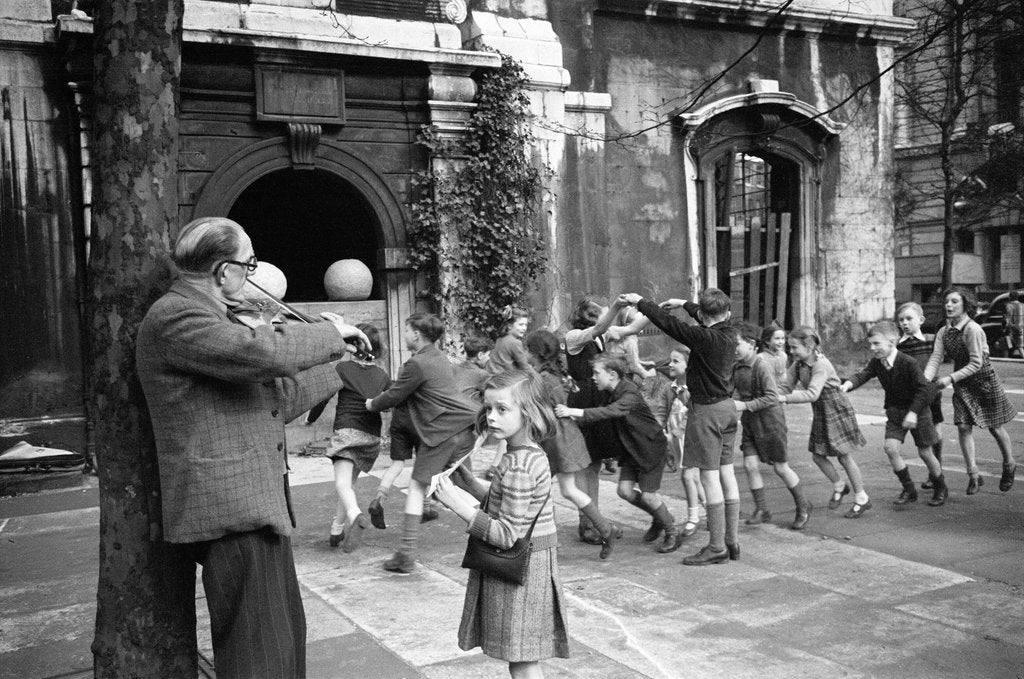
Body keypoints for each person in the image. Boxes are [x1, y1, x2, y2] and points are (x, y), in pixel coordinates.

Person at [135, 216, 370, 678]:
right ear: (224, 271)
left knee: (281, 644)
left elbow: (273, 401)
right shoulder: (177, 316)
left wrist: (341, 367)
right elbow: (262, 352)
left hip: (255, 507)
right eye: (249, 264)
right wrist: (329, 334)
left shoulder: (210, 319)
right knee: (259, 657)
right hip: (232, 511)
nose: (251, 275)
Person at [433, 370, 570, 679]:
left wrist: (456, 504)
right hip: (532, 565)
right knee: (523, 657)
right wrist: (471, 485)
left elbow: (507, 534)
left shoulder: (518, 466)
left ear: (529, 412)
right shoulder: (527, 454)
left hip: (521, 572)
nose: (491, 417)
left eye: (502, 409)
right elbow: (513, 507)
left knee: (521, 660)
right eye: (488, 408)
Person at [618, 289, 742, 565]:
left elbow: (668, 323)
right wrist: (685, 304)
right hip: (728, 409)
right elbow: (705, 314)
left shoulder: (702, 337)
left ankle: (716, 547)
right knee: (727, 473)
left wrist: (641, 302)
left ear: (704, 317)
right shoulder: (730, 331)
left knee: (709, 478)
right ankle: (732, 541)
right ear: (727, 313)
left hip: (707, 412)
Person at [366, 313, 479, 573]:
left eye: (406, 330)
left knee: (417, 488)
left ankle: (406, 555)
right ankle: (503, 513)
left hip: (440, 431)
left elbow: (394, 395)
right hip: (461, 427)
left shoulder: (416, 364)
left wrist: (372, 404)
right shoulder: (440, 358)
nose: (404, 334)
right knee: (460, 480)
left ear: (416, 334)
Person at [555, 355, 680, 554]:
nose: (593, 377)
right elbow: (601, 412)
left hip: (649, 448)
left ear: (612, 375)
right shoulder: (610, 391)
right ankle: (659, 516)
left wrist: (573, 411)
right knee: (624, 491)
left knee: (649, 496)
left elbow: (611, 411)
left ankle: (672, 531)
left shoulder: (629, 392)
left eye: (597, 373)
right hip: (632, 448)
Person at [525, 330, 621, 558]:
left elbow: (540, 409)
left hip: (555, 441)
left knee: (538, 488)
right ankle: (604, 529)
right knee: (567, 490)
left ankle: (546, 540)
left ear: (536, 353)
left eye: (527, 350)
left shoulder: (542, 379)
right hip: (565, 438)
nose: (524, 354)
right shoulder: (556, 375)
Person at [841, 321, 947, 507]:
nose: (872, 348)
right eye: (871, 344)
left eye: (876, 344)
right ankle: (909, 489)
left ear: (891, 342)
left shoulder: (908, 362)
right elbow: (864, 374)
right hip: (895, 411)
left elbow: (924, 390)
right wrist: (848, 384)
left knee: (925, 452)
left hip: (918, 412)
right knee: (890, 448)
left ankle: (940, 486)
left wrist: (913, 413)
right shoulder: (877, 362)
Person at [924, 287, 1017, 494]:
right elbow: (936, 357)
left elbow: (976, 363)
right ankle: (973, 474)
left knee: (995, 426)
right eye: (946, 302)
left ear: (966, 305)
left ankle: (1009, 464)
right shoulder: (944, 331)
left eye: (954, 301)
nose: (949, 305)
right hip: (963, 383)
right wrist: (925, 379)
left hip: (984, 381)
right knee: (963, 427)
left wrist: (950, 378)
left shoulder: (972, 329)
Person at [778, 326, 871, 519]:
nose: (791, 351)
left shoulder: (821, 364)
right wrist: (771, 395)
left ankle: (862, 498)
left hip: (836, 409)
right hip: (821, 411)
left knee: (844, 457)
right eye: (790, 347)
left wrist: (784, 399)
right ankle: (839, 485)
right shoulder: (799, 365)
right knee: (818, 456)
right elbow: (785, 387)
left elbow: (812, 394)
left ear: (809, 347)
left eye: (794, 347)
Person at [732, 322, 812, 530]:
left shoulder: (761, 366)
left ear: (751, 344)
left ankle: (803, 505)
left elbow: (771, 397)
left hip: (771, 422)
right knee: (750, 465)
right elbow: (734, 393)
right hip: (751, 422)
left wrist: (744, 405)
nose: (733, 349)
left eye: (737, 344)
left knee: (781, 468)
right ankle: (762, 509)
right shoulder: (737, 367)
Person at [326, 323, 390, 552]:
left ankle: (356, 516)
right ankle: (336, 529)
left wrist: (310, 419)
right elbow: (390, 400)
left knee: (341, 484)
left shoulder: (342, 368)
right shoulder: (382, 375)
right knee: (349, 485)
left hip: (347, 433)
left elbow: (323, 396)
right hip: (371, 437)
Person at [563, 298, 621, 544]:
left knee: (594, 464)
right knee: (584, 465)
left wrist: (650, 309)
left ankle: (596, 521)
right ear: (590, 315)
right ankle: (586, 524)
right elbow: (600, 328)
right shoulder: (574, 337)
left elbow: (629, 329)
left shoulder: (599, 337)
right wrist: (617, 306)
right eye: (603, 313)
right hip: (583, 401)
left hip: (597, 400)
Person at [896, 302, 946, 490]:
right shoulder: (898, 345)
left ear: (921, 320)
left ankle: (936, 472)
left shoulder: (931, 340)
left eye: (909, 319)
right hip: (912, 396)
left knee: (936, 428)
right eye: (901, 320)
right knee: (923, 436)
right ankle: (935, 473)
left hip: (932, 391)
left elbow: (941, 357)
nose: (905, 323)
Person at [488, 305, 532, 374]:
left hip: (491, 375)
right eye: (521, 325)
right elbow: (524, 366)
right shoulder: (515, 343)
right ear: (510, 326)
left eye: (526, 325)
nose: (524, 328)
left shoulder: (500, 338)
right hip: (503, 378)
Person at [455, 335, 493, 402]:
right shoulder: (482, 374)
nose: (488, 358)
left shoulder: (453, 367)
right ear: (480, 355)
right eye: (488, 355)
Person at [758, 321, 788, 386]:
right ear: (767, 341)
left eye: (782, 338)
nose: (781, 342)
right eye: (777, 339)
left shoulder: (783, 356)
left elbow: (784, 376)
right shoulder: (761, 358)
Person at [1005, 291, 1024, 359]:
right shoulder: (1022, 305)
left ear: (1010, 297)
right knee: (1019, 344)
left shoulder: (1009, 305)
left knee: (1014, 344)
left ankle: (1008, 357)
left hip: (1013, 327)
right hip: (1022, 327)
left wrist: (1006, 327)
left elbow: (1008, 317)